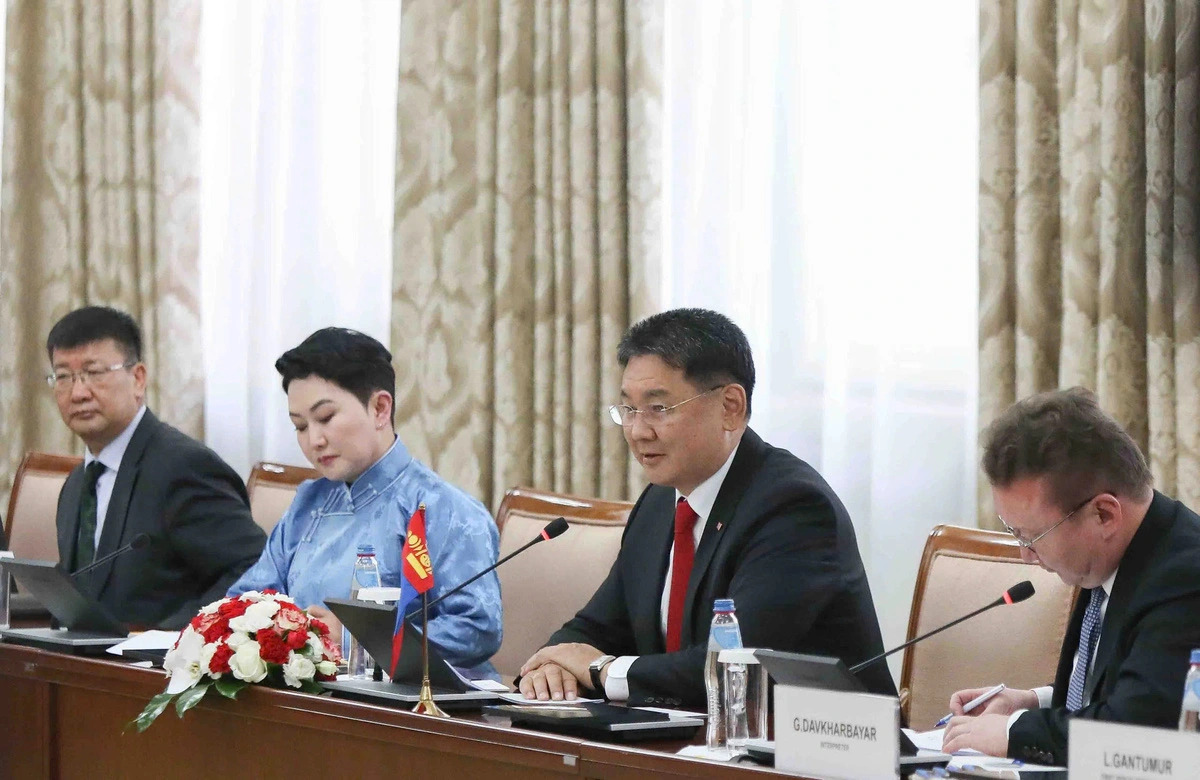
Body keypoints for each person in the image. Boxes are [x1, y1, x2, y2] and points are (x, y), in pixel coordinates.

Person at [518, 308, 895, 706]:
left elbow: (735, 665)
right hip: (689, 734)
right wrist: (553, 665)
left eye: (659, 408)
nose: (638, 431)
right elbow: (595, 628)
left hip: (808, 739)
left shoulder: (793, 508)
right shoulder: (660, 502)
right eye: (628, 409)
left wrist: (603, 670)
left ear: (730, 406)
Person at [943, 388, 1200, 765]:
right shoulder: (1112, 557)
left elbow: (1133, 731)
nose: (1025, 554)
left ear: (1104, 515)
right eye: (1015, 533)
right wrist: (1033, 701)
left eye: (1032, 536)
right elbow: (1121, 686)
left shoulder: (1185, 579)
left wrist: (1015, 731)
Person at [228, 327, 502, 674]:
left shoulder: (443, 509)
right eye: (300, 426)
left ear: (379, 409)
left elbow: (477, 627)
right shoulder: (308, 503)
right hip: (311, 695)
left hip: (411, 702)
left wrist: (356, 640)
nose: (314, 440)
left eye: (325, 418)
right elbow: (246, 602)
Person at [47, 306, 265, 630]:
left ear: (138, 379)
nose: (78, 393)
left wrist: (165, 637)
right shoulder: (77, 483)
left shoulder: (184, 467)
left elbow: (252, 572)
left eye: (94, 373)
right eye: (64, 376)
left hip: (162, 658)